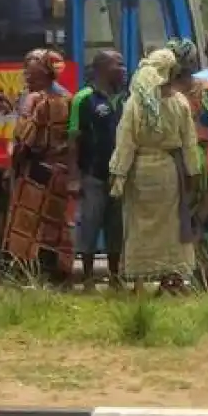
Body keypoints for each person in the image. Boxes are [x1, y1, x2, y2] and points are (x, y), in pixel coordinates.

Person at [109, 48, 200, 293]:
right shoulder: (180, 102)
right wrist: (192, 174)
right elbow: (189, 143)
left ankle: (138, 284)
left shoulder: (135, 102)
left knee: (138, 224)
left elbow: (125, 141)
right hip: (169, 171)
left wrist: (119, 175)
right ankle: (168, 280)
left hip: (140, 170)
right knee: (169, 226)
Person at [3, 48, 73, 283]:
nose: (27, 78)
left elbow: (24, 139)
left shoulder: (36, 100)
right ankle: (57, 272)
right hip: (60, 169)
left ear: (44, 74)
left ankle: (24, 273)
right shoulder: (68, 97)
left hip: (36, 169)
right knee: (55, 224)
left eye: (31, 74)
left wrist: (13, 167)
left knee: (26, 224)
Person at [167, 38, 208, 289]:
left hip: (178, 166)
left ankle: (177, 278)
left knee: (178, 219)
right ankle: (204, 277)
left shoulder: (166, 95)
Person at [68, 49, 127, 290]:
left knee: (116, 227)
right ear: (102, 67)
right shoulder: (84, 98)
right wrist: (74, 177)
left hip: (120, 176)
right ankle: (89, 278)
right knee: (90, 225)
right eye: (118, 64)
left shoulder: (126, 98)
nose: (123, 70)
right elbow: (74, 139)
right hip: (93, 174)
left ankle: (115, 277)